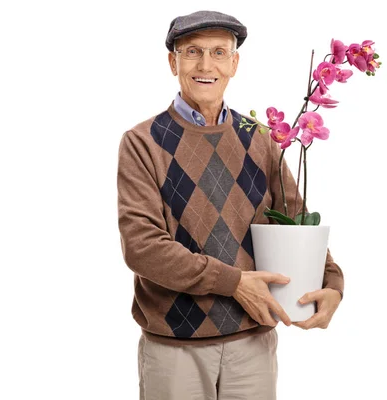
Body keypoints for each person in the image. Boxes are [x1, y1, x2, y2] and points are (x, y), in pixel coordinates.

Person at [117, 10, 344, 400]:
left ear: (234, 63)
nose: (206, 65)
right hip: (176, 346)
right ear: (173, 62)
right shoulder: (142, 142)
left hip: (253, 344)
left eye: (219, 52)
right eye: (192, 52)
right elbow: (143, 248)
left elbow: (295, 222)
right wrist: (235, 283)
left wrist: (333, 283)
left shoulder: (259, 138)